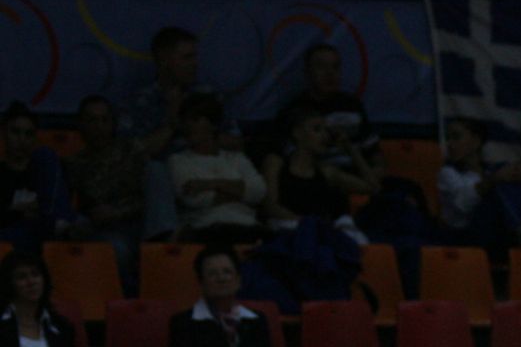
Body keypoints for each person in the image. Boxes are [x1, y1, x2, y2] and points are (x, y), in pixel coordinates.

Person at [124, 27, 240, 238]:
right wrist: (172, 123)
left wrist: (199, 132)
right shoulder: (141, 101)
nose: (194, 64)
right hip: (162, 188)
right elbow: (135, 155)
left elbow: (236, 142)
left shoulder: (209, 96)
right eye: (187, 58)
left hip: (205, 177)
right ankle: (166, 241)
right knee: (155, 170)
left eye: (195, 56)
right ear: (163, 60)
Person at [65, 95, 147, 289]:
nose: (99, 126)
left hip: (137, 224)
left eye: (105, 120)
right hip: (98, 229)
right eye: (92, 120)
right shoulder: (74, 163)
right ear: (81, 124)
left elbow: (149, 199)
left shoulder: (132, 152)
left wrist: (117, 212)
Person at [263, 103, 379, 226]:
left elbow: (373, 187)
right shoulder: (275, 163)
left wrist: (350, 149)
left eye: (326, 130)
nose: (324, 136)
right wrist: (304, 224)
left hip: (317, 233)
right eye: (317, 129)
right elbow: (270, 206)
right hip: (287, 229)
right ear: (297, 133)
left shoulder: (326, 172)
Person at [170, 95, 267, 242]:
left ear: (213, 124)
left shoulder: (236, 158)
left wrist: (209, 184)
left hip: (247, 226)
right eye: (185, 121)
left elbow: (258, 191)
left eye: (195, 120)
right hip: (206, 228)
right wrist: (241, 192)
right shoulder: (178, 161)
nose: (188, 126)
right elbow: (196, 200)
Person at [273, 43, 381, 175]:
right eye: (321, 67)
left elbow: (373, 151)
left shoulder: (352, 106)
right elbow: (291, 160)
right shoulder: (294, 111)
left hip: (359, 176)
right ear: (307, 72)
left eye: (335, 67)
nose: (330, 73)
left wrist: (377, 170)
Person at [438, 117, 521, 250]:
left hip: (497, 233)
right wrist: (495, 179)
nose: (450, 144)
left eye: (456, 137)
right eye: (448, 138)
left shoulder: (491, 169)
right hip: (463, 236)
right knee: (494, 194)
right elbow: (462, 204)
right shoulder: (448, 173)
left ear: (476, 141)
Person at [0, 101, 75, 247]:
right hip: (11, 237)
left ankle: (57, 223)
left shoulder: (46, 169)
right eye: (15, 132)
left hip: (46, 231)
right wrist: (17, 213)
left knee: (45, 154)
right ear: (4, 133)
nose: (22, 140)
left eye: (28, 134)